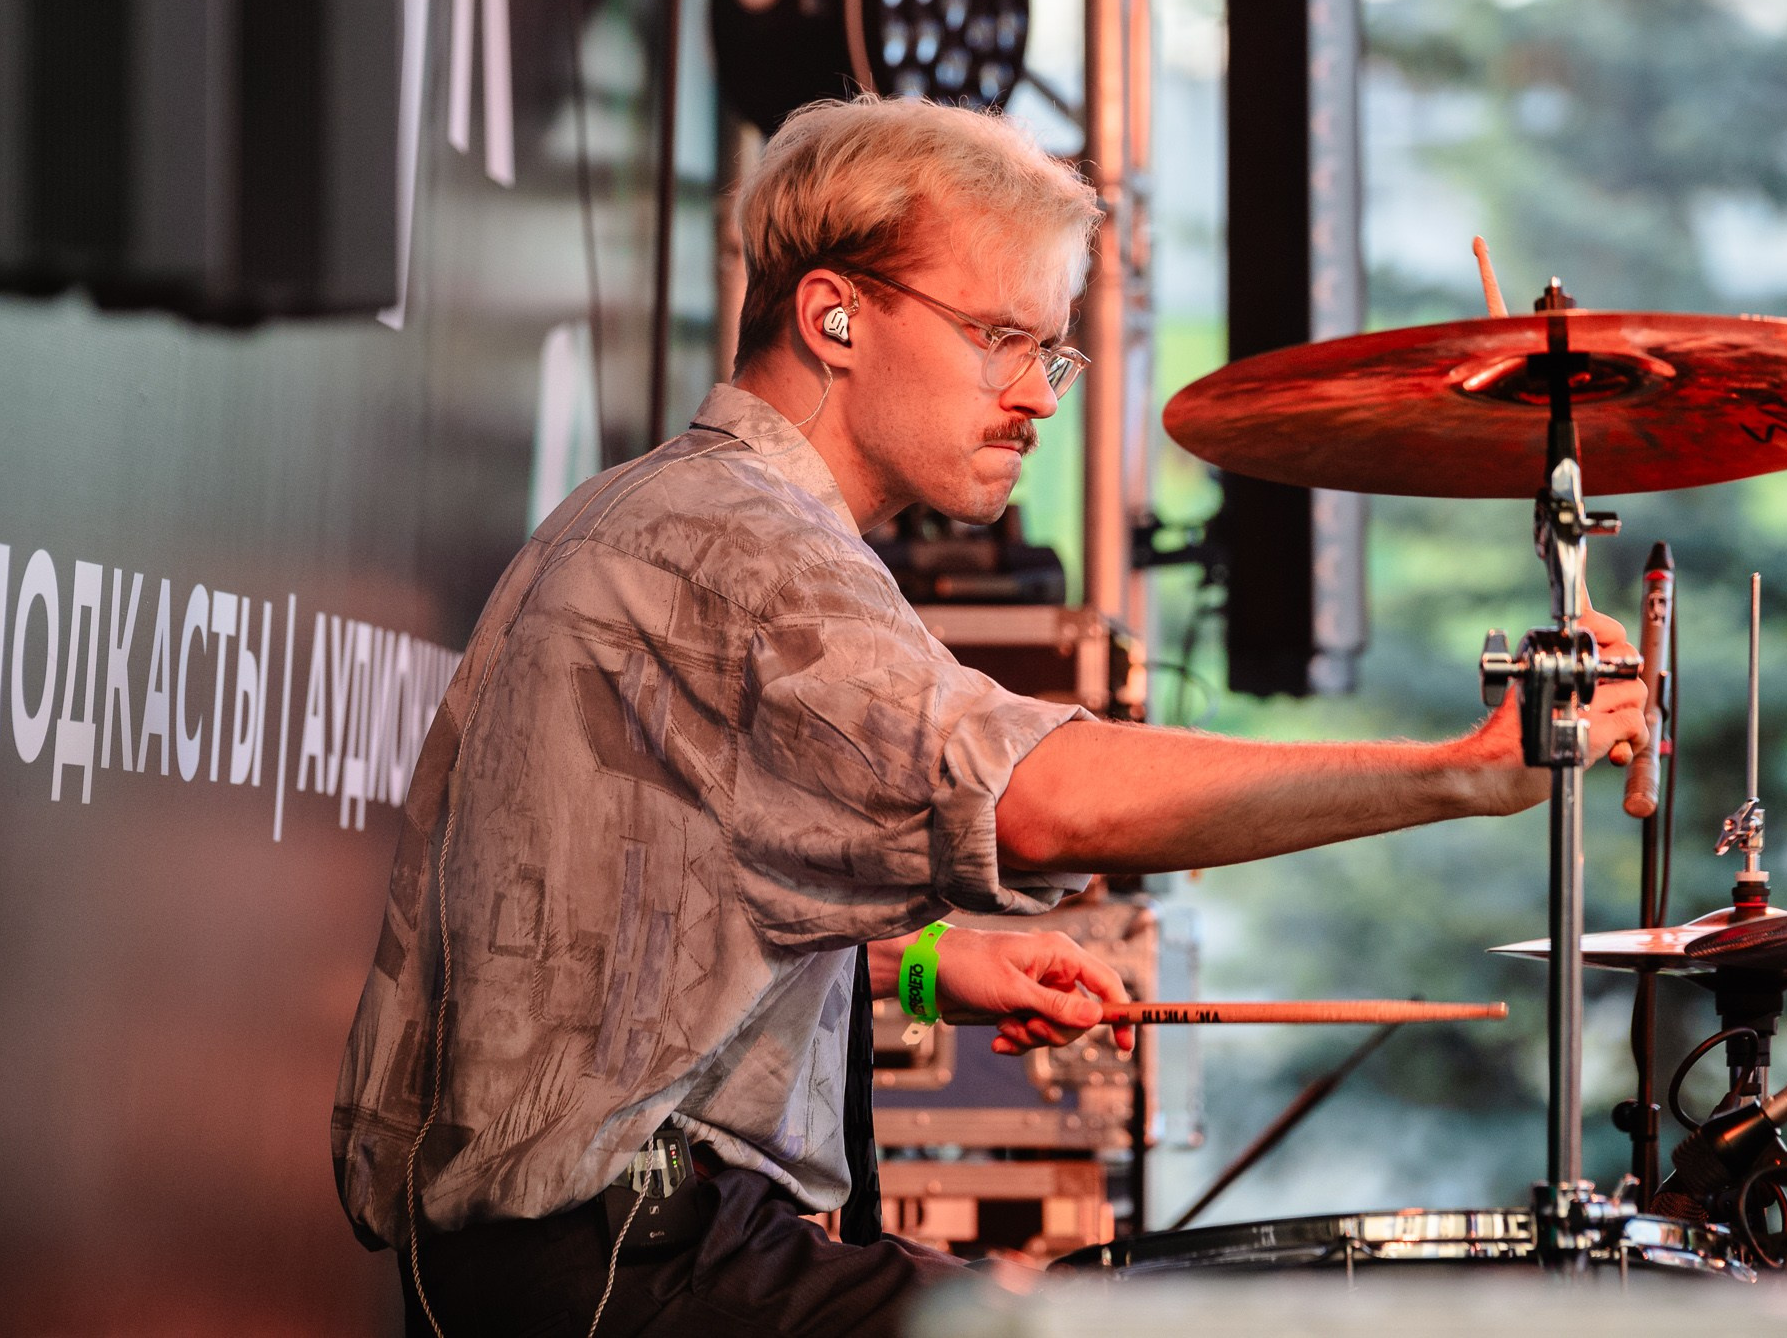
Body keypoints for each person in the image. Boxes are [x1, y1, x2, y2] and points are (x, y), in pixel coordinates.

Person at [331, 95, 1647, 1336]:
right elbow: (1040, 797)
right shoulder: (735, 543)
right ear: (834, 316)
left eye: (1053, 353)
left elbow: (652, 905)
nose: (1036, 395)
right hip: (625, 1260)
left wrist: (922, 964)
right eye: (999, 338)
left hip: (602, 1251)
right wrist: (1461, 774)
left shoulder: (673, 514)